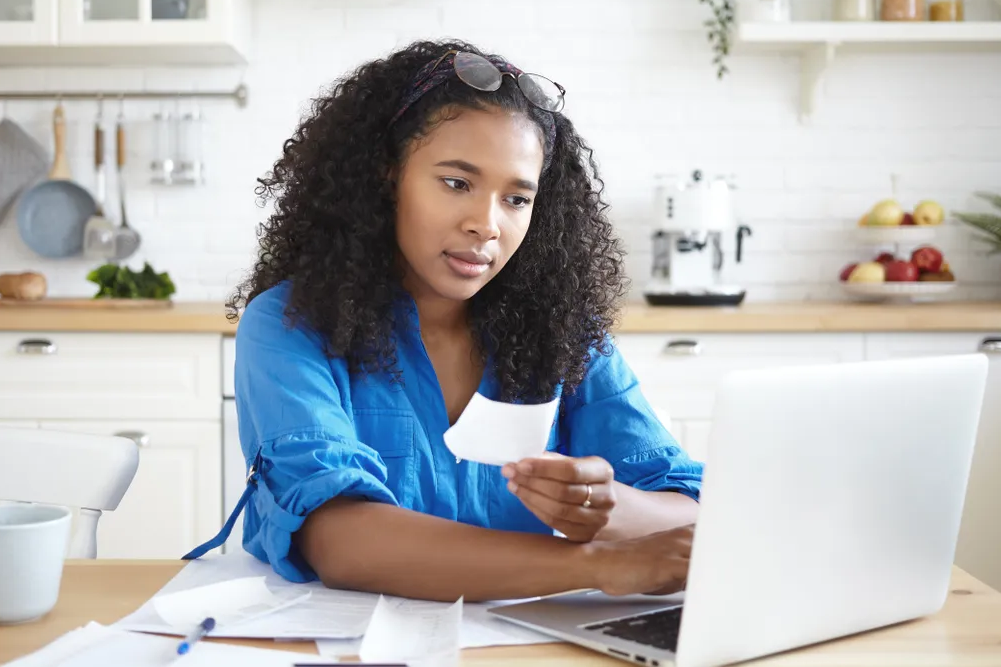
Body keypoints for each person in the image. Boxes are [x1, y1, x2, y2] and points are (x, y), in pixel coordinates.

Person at [189, 39, 704, 603]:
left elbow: (690, 510)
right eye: (456, 183)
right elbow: (340, 539)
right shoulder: (290, 325)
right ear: (387, 177)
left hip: (519, 645)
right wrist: (597, 563)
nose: (486, 225)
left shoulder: (564, 335)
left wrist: (609, 511)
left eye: (515, 199)